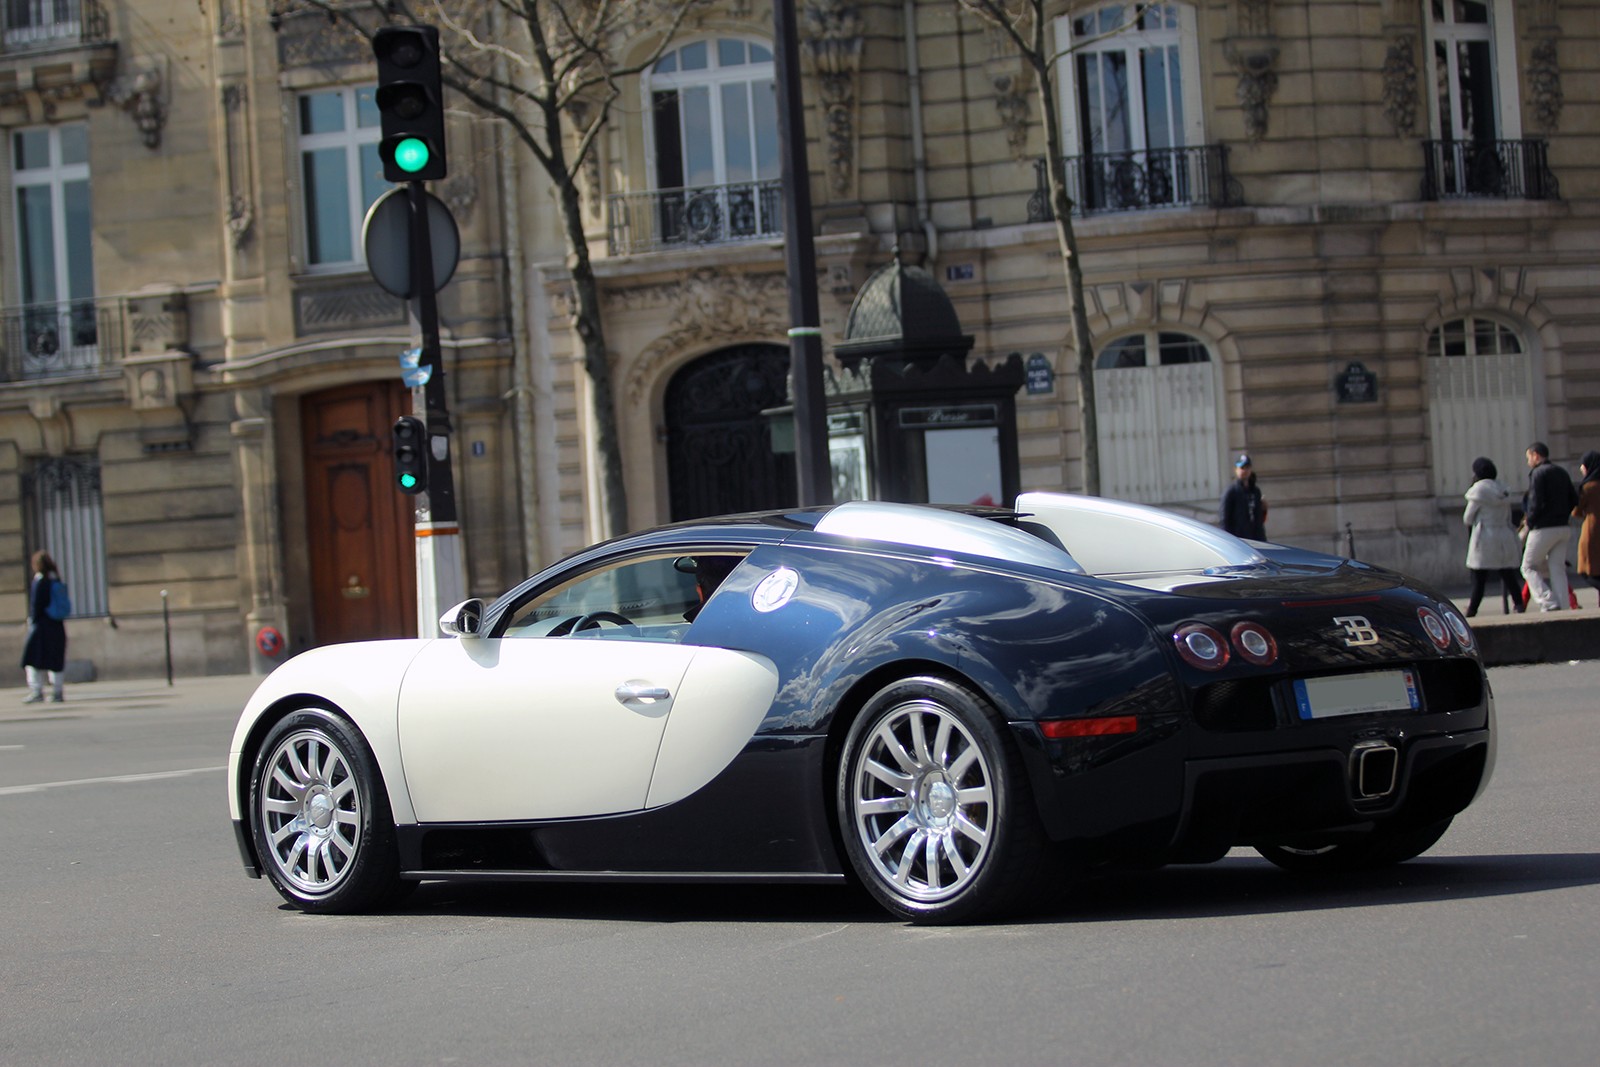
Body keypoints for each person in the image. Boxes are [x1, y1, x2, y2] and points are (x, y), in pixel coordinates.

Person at [1520, 441, 1579, 612]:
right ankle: (1564, 604)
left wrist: (1530, 521)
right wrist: (1563, 514)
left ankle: (1548, 602)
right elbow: (1573, 499)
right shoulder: (1561, 471)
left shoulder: (1538, 473)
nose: (1528, 462)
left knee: (1528, 566)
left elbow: (1535, 502)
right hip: (1563, 527)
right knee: (1557, 568)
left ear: (1536, 455)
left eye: (1529, 457)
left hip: (1542, 528)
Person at [1461, 458, 1524, 616]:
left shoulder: (1478, 491)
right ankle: (1519, 604)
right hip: (1504, 535)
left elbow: (1467, 518)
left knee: (1479, 577)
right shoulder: (1502, 489)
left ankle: (1472, 609)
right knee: (1507, 573)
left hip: (1484, 536)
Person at [21, 550, 67, 703]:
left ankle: (37, 691)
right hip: (57, 626)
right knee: (55, 661)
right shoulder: (56, 579)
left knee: (33, 661)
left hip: (41, 627)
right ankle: (58, 692)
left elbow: (36, 606)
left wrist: (31, 622)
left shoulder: (40, 581)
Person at [1574, 449, 1600, 609]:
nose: (1581, 468)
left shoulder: (1588, 487)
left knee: (1586, 571)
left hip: (1591, 530)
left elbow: (1576, 511)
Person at [1219, 453, 1267, 540]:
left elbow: (1259, 519)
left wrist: (1264, 510)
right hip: (1239, 541)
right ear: (1236, 470)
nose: (1245, 471)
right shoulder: (1231, 491)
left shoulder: (1255, 491)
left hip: (1256, 539)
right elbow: (1224, 520)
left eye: (1247, 468)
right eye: (1242, 468)